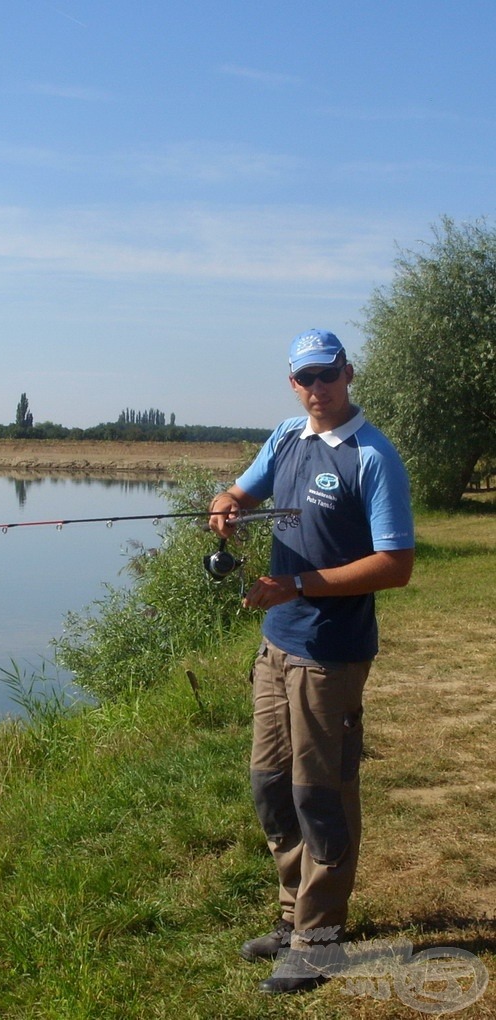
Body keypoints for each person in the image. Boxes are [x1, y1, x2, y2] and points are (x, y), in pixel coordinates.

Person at [208, 328, 414, 995]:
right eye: (305, 378)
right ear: (292, 383)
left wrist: (298, 584)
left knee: (319, 796)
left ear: (348, 374)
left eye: (328, 375)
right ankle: (296, 916)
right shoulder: (286, 438)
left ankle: (322, 943)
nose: (317, 389)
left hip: (331, 655)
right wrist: (228, 505)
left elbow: (396, 564)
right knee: (271, 787)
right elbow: (244, 491)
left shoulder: (372, 456)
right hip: (276, 644)